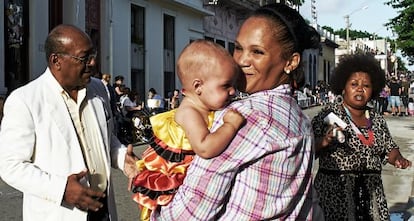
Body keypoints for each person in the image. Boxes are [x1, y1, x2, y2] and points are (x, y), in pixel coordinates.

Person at [152, 3, 320, 220]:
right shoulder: (300, 118)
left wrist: (154, 210)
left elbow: (191, 211)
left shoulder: (246, 116)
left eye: (257, 52)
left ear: (291, 62)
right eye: (238, 48)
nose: (241, 61)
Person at [0, 24, 139, 221]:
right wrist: (61, 189)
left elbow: (105, 139)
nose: (93, 63)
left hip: (103, 209)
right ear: (56, 60)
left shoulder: (99, 90)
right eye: (84, 58)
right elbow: (10, 166)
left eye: (93, 55)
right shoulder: (25, 100)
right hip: (60, 212)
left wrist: (122, 157)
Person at [131, 39, 245, 220]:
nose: (233, 92)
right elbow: (205, 148)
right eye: (226, 86)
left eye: (234, 85)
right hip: (176, 185)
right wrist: (230, 126)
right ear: (198, 86)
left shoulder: (203, 106)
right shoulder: (189, 112)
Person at [311, 53, 412, 221]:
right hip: (334, 198)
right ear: (343, 87)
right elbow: (307, 151)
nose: (360, 89)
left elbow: (389, 148)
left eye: (366, 85)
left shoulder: (377, 118)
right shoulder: (327, 115)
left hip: (371, 198)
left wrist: (398, 159)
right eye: (354, 84)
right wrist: (324, 141)